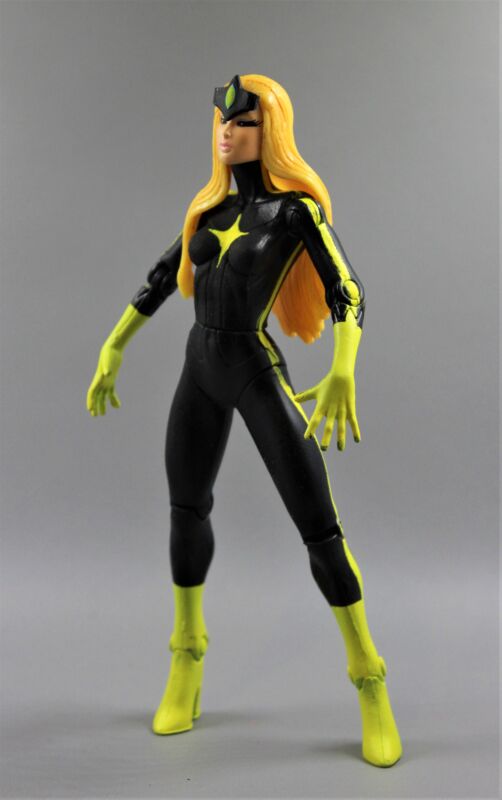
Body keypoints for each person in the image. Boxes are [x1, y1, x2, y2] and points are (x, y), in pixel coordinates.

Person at [86, 74, 402, 767]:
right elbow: (161, 278)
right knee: (186, 509)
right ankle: (187, 652)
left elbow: (348, 291)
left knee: (319, 527)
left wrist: (344, 366)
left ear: (272, 130)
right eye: (222, 122)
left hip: (253, 370)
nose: (228, 132)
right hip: (199, 368)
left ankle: (369, 677)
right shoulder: (210, 208)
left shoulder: (293, 214)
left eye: (245, 122)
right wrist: (114, 346)